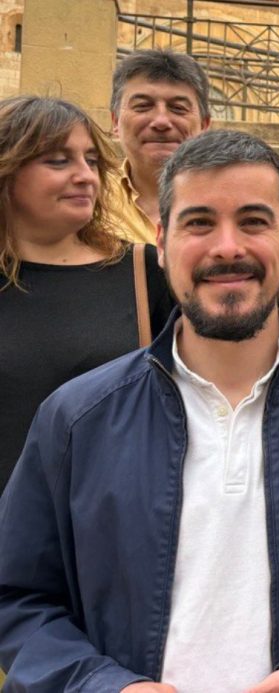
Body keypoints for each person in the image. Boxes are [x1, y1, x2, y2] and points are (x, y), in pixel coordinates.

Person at [0, 129, 279, 692]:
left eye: (254, 221)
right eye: (199, 223)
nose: (227, 247)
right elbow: (18, 596)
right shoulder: (76, 418)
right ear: (162, 242)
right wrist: (104, 686)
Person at [0, 95, 173, 492]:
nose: (85, 176)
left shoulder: (144, 271)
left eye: (91, 161)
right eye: (58, 161)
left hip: (107, 518)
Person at [107, 48, 211, 244]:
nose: (161, 122)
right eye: (143, 106)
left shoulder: (236, 200)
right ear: (115, 122)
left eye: (178, 108)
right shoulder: (90, 201)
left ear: (204, 125)